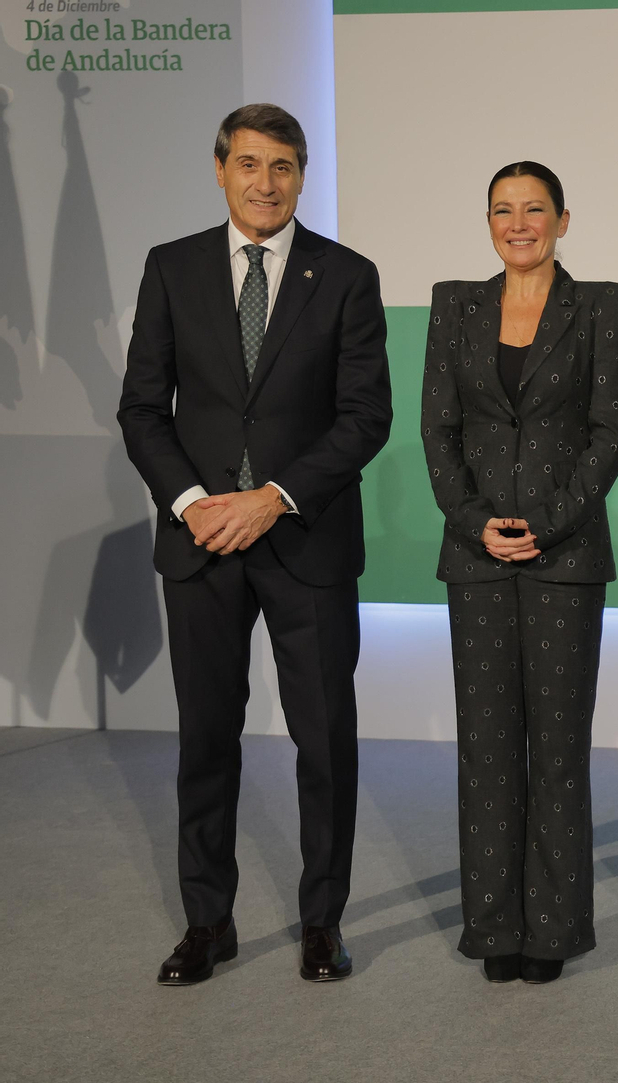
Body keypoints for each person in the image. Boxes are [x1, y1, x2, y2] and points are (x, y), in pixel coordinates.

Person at [118, 104, 392, 985]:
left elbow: (365, 419)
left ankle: (323, 923)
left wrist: (271, 499)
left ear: (303, 175)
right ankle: (208, 923)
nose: (264, 183)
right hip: (199, 544)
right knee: (206, 739)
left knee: (324, 740)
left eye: (282, 166)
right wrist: (197, 502)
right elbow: (141, 408)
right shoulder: (172, 268)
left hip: (303, 540)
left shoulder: (345, 275)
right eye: (248, 164)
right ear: (220, 168)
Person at [421, 162, 618, 984]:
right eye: (503, 210)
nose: (519, 223)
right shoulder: (454, 304)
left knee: (555, 749)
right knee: (485, 747)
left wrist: (543, 523)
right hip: (474, 558)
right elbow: (439, 430)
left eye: (534, 209)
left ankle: (550, 931)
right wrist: (476, 521)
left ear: (563, 220)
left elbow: (608, 433)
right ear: (488, 222)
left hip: (565, 557)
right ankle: (493, 930)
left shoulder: (602, 305)